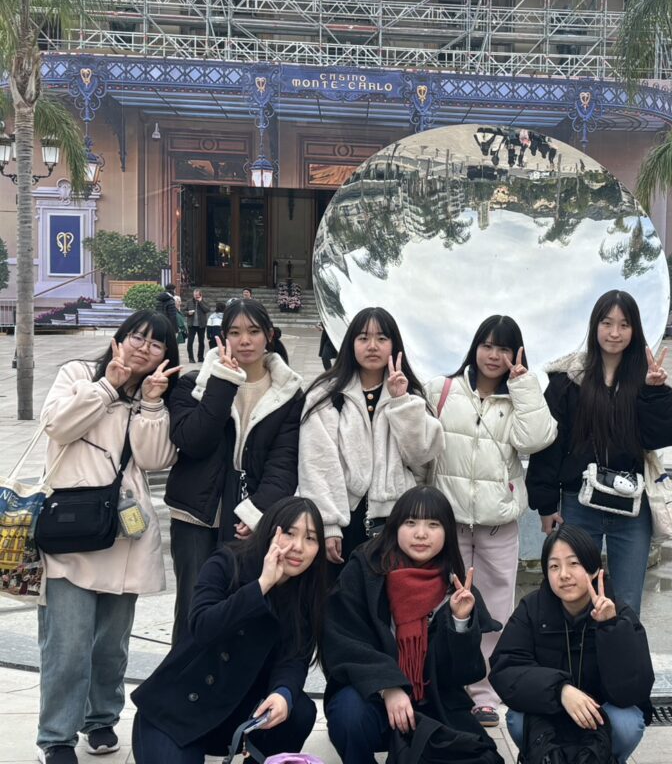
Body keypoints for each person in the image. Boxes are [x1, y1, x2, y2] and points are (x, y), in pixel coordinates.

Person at [35, 311, 180, 764]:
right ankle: (57, 737)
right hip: (70, 530)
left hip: (122, 535)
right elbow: (57, 425)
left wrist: (152, 403)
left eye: (156, 344)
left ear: (165, 355)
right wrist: (107, 387)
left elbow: (155, 459)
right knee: (67, 645)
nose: (143, 348)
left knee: (111, 645)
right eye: (137, 337)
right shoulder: (78, 374)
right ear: (120, 337)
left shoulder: (152, 396)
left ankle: (100, 719)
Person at [426, 314, 557, 726]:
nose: (494, 355)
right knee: (441, 603)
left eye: (504, 348)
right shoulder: (442, 390)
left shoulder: (518, 399)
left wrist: (524, 386)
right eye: (487, 345)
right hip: (448, 525)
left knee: (496, 609)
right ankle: (443, 685)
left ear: (516, 354)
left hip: (497, 523)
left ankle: (484, 691)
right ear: (475, 347)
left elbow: (537, 439)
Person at [130, 497, 328, 763]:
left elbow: (294, 658)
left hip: (239, 712)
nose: (298, 547)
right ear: (270, 531)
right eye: (290, 533)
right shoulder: (227, 562)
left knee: (299, 709)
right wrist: (262, 585)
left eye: (310, 538)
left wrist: (282, 694)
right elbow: (203, 626)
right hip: (179, 707)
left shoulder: (305, 591)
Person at [526, 289, 672, 615]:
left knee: (627, 601)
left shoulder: (645, 379)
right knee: (574, 597)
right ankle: (577, 651)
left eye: (624, 325)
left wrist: (655, 393)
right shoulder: (567, 381)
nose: (614, 333)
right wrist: (545, 504)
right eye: (607, 323)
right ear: (594, 326)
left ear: (635, 330)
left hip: (631, 506)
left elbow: (661, 437)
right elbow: (548, 446)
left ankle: (622, 649)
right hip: (578, 503)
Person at [321, 485, 501, 764]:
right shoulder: (365, 569)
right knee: (348, 715)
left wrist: (460, 621)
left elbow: (465, 673)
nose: (421, 534)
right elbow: (342, 640)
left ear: (447, 532)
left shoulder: (455, 587)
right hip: (375, 698)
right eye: (411, 522)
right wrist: (388, 686)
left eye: (433, 525)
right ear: (395, 526)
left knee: (484, 756)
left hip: (434, 703)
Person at [164, 299, 304, 646]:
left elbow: (284, 462)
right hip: (198, 514)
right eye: (235, 332)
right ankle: (184, 677)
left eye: (253, 331)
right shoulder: (194, 384)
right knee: (193, 609)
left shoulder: (288, 393)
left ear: (269, 336)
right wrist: (223, 381)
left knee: (243, 607)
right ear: (223, 336)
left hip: (250, 519)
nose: (245, 341)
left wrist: (257, 512)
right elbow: (193, 441)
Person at [490, 524, 654, 763]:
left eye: (574, 563)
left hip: (599, 715)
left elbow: (634, 691)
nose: (564, 575)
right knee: (517, 718)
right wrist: (560, 690)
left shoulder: (619, 613)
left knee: (628, 722)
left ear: (593, 569)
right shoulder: (532, 609)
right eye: (554, 566)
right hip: (550, 710)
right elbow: (505, 668)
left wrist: (610, 627)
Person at [298, 307, 443, 566]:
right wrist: (328, 522)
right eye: (363, 338)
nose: (372, 346)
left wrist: (401, 402)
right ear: (350, 343)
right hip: (343, 518)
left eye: (382, 338)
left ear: (394, 345)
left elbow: (421, 455)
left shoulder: (410, 395)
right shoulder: (327, 395)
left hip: (396, 518)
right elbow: (317, 462)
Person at [185, 288, 211, 364]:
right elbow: (183, 311)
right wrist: (188, 313)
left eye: (197, 295)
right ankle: (191, 358)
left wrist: (200, 302)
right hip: (191, 325)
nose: (196, 297)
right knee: (190, 342)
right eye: (195, 295)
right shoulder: (189, 302)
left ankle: (200, 358)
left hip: (201, 325)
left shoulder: (204, 301)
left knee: (201, 342)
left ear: (200, 295)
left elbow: (207, 310)